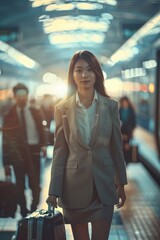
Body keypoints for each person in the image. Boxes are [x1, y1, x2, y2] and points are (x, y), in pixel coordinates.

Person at [46, 50, 127, 240]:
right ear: (72, 75)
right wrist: (53, 191)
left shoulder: (110, 106)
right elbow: (60, 152)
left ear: (97, 73)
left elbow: (116, 148)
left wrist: (121, 182)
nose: (84, 75)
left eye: (90, 70)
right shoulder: (62, 109)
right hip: (73, 187)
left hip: (104, 187)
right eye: (79, 70)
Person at [3, 83, 47, 217]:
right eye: (19, 95)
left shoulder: (36, 111)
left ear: (28, 96)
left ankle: (34, 208)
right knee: (20, 185)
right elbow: (6, 140)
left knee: (36, 184)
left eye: (24, 95)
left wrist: (44, 145)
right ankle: (23, 211)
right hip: (18, 154)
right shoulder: (9, 115)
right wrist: (6, 163)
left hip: (34, 152)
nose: (22, 98)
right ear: (15, 97)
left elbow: (42, 130)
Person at [119, 96, 136, 165]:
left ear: (128, 102)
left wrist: (128, 137)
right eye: (122, 102)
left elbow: (133, 125)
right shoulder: (119, 110)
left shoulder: (131, 112)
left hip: (128, 134)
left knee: (126, 150)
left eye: (125, 102)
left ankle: (126, 164)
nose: (124, 104)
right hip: (120, 134)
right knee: (120, 150)